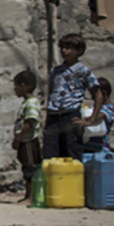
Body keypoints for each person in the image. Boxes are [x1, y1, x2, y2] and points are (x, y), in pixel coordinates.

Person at [45, 32, 102, 160]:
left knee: (72, 151)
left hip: (70, 115)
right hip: (54, 116)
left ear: (79, 51)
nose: (64, 51)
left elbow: (98, 95)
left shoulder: (84, 72)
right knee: (51, 153)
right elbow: (51, 92)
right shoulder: (55, 71)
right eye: (62, 48)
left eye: (68, 48)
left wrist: (91, 119)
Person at [11, 70, 42, 202]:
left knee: (30, 168)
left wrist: (18, 138)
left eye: (16, 86)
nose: (14, 89)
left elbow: (30, 123)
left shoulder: (31, 103)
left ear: (23, 86)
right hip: (25, 140)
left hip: (28, 140)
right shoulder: (27, 102)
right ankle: (29, 195)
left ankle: (31, 196)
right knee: (26, 166)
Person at [82, 77, 114, 154]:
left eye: (94, 96)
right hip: (88, 145)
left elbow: (99, 116)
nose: (93, 99)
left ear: (104, 93)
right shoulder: (96, 108)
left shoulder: (110, 108)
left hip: (101, 147)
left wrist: (84, 119)